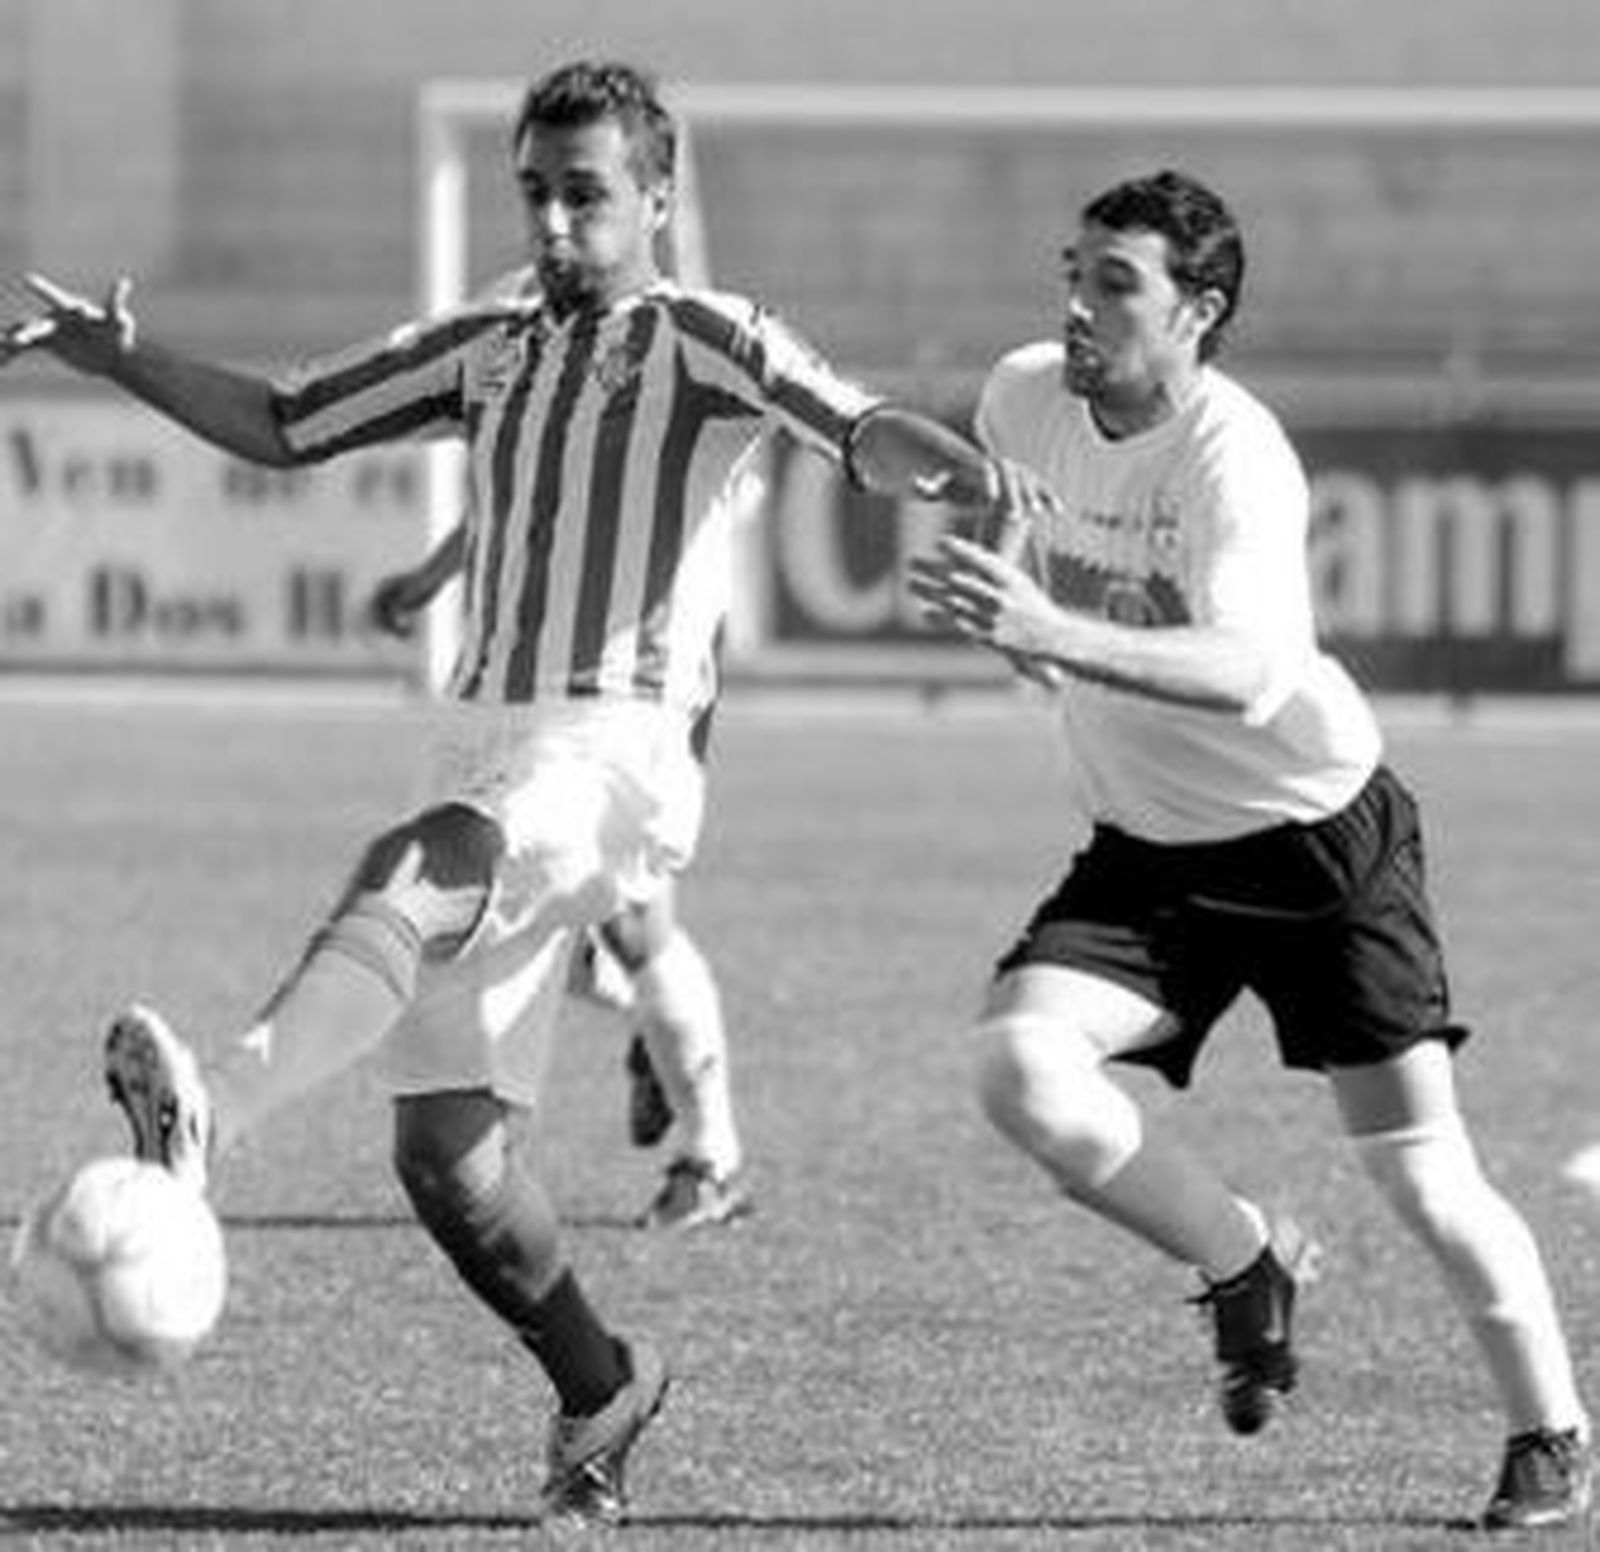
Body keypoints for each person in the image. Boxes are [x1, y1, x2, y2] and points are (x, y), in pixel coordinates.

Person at [4, 59, 1045, 1529]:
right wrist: (125, 361)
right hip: (480, 731)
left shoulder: (704, 333)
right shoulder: (487, 343)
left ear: (660, 198)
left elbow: (855, 427)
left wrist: (955, 473)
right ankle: (602, 1386)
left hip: (613, 749)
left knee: (418, 865)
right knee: (448, 1160)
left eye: (589, 195)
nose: (558, 224)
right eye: (539, 194)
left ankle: (212, 1120)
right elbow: (289, 423)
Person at [908, 168, 1591, 1532]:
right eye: (1074, 271)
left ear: (1200, 311)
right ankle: (1244, 1261)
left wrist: (1051, 636)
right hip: (1148, 857)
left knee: (1422, 1176)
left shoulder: (1237, 453)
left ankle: (1552, 1431)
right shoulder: (1023, 391)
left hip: (1317, 849)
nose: (1080, 304)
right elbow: (1020, 553)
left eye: (1118, 283)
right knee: (1016, 1066)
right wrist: (1010, 610)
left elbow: (1250, 671)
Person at [367, 516, 750, 1231]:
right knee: (494, 907)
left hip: (642, 664)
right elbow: (520, 479)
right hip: (523, 663)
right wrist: (434, 578)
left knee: (624, 916)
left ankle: (711, 1160)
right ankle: (659, 1032)